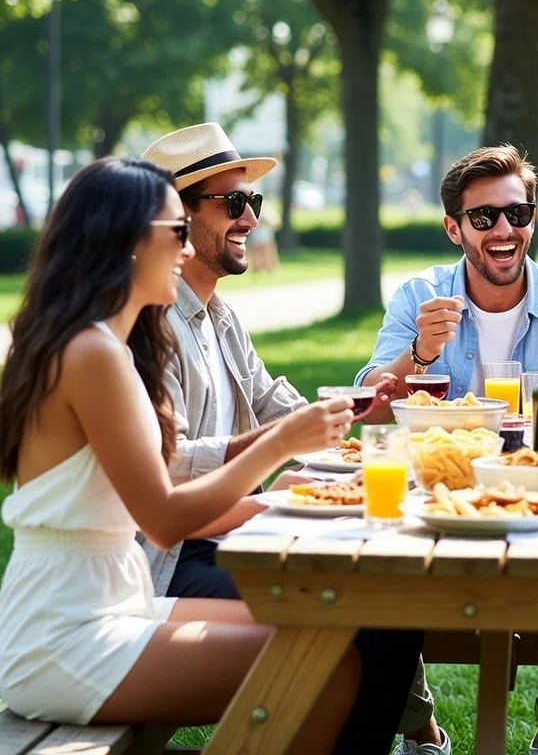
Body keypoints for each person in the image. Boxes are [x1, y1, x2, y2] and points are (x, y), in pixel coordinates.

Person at [0, 158, 361, 752]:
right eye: (175, 232)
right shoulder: (91, 353)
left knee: (325, 645)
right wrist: (278, 445)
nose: (187, 251)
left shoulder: (105, 344)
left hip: (112, 602)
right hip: (63, 632)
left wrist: (283, 484)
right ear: (128, 240)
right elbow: (164, 519)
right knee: (323, 670)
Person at [139, 123, 416, 753]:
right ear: (180, 217)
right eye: (232, 204)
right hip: (168, 562)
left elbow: (281, 407)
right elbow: (168, 470)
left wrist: (379, 399)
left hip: (230, 537)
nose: (249, 220)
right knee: (368, 623)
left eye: (253, 203)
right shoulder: (154, 323)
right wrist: (279, 457)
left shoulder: (221, 314)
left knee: (393, 614)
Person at [358, 144, 538, 755]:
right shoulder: (422, 295)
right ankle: (422, 735)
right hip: (437, 497)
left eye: (517, 215)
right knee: (369, 566)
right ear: (454, 228)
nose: (505, 230)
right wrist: (416, 353)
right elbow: (368, 406)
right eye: (484, 218)